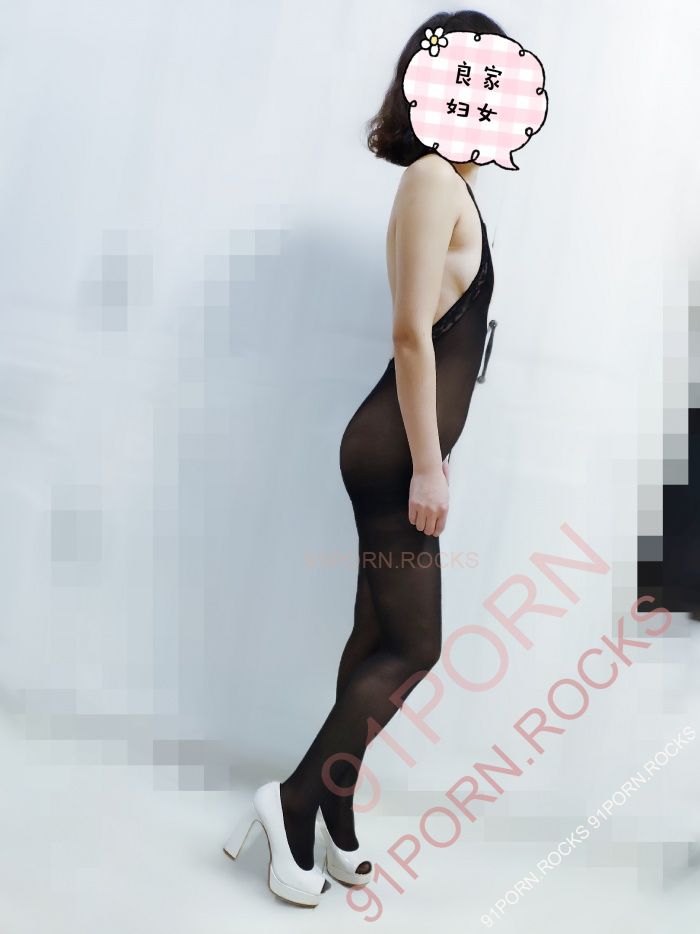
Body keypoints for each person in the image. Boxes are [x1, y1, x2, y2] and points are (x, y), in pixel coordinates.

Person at [223, 9, 505, 907]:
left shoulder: (454, 185)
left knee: (377, 636)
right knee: (417, 646)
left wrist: (437, 453)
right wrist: (426, 463)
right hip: (390, 453)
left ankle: (332, 812)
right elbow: (411, 335)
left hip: (406, 447)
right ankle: (292, 801)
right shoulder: (431, 177)